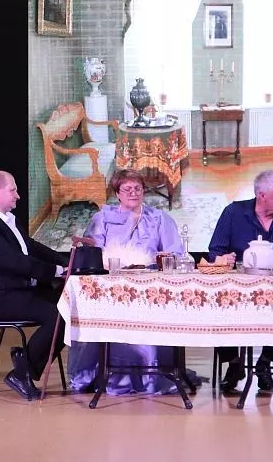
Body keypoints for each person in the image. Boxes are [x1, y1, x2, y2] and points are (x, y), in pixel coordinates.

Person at [67, 169, 189, 395]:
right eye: (127, 189)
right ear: (117, 193)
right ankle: (103, 373)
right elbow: (93, 253)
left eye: (137, 188)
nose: (133, 193)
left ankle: (149, 375)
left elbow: (174, 253)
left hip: (149, 289)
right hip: (110, 288)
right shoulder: (102, 218)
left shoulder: (159, 218)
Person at [0, 170, 79, 400]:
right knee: (59, 316)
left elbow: (31, 247)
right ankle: (23, 371)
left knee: (70, 307)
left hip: (18, 290)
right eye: (13, 190)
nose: (18, 195)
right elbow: (15, 262)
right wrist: (56, 271)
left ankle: (24, 363)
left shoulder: (5, 220)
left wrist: (66, 261)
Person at [207, 169, 273, 392]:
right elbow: (215, 251)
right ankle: (234, 364)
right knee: (217, 307)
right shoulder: (233, 212)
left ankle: (264, 363)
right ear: (261, 195)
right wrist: (223, 259)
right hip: (239, 291)